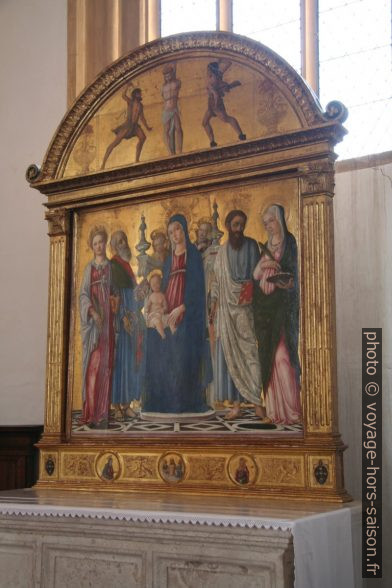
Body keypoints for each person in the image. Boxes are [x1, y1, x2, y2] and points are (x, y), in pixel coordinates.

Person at [142, 214, 212, 415]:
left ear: (184, 230)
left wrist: (182, 307)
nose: (174, 235)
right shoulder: (169, 259)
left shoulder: (193, 254)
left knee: (183, 353)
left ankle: (186, 401)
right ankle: (166, 398)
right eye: (171, 231)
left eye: (178, 229)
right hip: (168, 308)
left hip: (186, 312)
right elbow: (162, 286)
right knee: (163, 348)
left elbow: (198, 287)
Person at [209, 210, 265, 420]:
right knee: (229, 356)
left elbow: (258, 275)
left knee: (250, 352)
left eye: (242, 224)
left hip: (245, 307)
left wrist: (251, 287)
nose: (239, 229)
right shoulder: (222, 252)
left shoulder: (252, 246)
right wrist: (214, 302)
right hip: (225, 308)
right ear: (228, 226)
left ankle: (257, 401)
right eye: (235, 225)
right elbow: (216, 280)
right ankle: (235, 405)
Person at [253, 204, 301, 424]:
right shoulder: (265, 247)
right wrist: (266, 266)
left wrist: (286, 280)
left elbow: (296, 273)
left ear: (279, 220)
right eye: (265, 223)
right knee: (270, 359)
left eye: (271, 221)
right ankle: (274, 412)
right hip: (267, 310)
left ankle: (293, 411)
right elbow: (255, 275)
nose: (268, 226)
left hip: (284, 308)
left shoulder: (289, 243)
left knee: (283, 357)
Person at [79, 226, 116, 428]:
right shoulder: (89, 269)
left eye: (101, 242)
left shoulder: (111, 268)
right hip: (95, 326)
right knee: (93, 367)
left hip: (108, 325)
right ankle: (91, 413)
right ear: (91, 247)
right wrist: (92, 312)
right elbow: (83, 295)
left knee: (105, 368)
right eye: (95, 243)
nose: (99, 246)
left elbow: (116, 293)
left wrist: (115, 304)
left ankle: (102, 413)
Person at [110, 230, 145, 420]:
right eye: (119, 241)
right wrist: (123, 315)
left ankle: (127, 404)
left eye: (124, 240)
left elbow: (132, 298)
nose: (124, 244)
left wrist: (141, 292)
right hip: (120, 324)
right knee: (119, 364)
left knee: (130, 363)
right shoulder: (113, 266)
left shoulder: (127, 267)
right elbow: (113, 295)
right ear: (114, 247)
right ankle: (116, 406)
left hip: (132, 322)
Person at [101, 86, 152, 168]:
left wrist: (147, 127)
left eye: (140, 93)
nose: (140, 95)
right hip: (127, 125)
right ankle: (103, 163)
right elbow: (123, 96)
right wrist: (127, 86)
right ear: (135, 95)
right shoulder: (131, 102)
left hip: (135, 126)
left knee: (143, 138)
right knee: (115, 143)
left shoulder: (140, 105)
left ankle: (137, 159)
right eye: (139, 93)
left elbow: (142, 117)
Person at [202, 59, 246, 148]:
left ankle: (241, 135)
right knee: (205, 122)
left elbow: (215, 93)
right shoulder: (216, 76)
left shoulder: (213, 79)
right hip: (211, 104)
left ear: (211, 70)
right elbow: (228, 63)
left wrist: (216, 100)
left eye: (208, 70)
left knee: (226, 118)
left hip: (215, 103)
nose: (207, 72)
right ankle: (212, 142)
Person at [161, 63, 183, 155]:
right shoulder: (163, 87)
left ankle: (180, 150)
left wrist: (174, 65)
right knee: (166, 130)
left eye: (169, 74)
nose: (167, 77)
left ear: (172, 74)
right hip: (166, 109)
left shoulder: (177, 82)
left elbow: (175, 69)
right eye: (166, 76)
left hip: (174, 108)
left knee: (178, 128)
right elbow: (163, 97)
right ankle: (170, 152)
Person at [145, 270, 170, 339]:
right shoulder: (151, 296)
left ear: (160, 283)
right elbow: (147, 306)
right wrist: (147, 309)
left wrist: (163, 309)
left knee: (170, 318)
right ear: (150, 286)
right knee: (157, 322)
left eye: (157, 283)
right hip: (153, 316)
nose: (155, 286)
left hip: (161, 315)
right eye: (153, 284)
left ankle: (174, 333)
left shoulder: (162, 295)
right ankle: (163, 335)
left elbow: (166, 307)